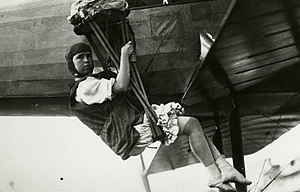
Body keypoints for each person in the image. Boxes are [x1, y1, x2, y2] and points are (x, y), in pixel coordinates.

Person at [65, 42, 252, 191]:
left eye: (88, 56)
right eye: (80, 58)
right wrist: (123, 55)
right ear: (71, 64)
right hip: (131, 133)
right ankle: (215, 174)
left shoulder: (92, 80)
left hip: (131, 130)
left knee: (193, 126)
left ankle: (224, 169)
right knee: (192, 125)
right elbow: (121, 85)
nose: (87, 60)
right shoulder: (84, 87)